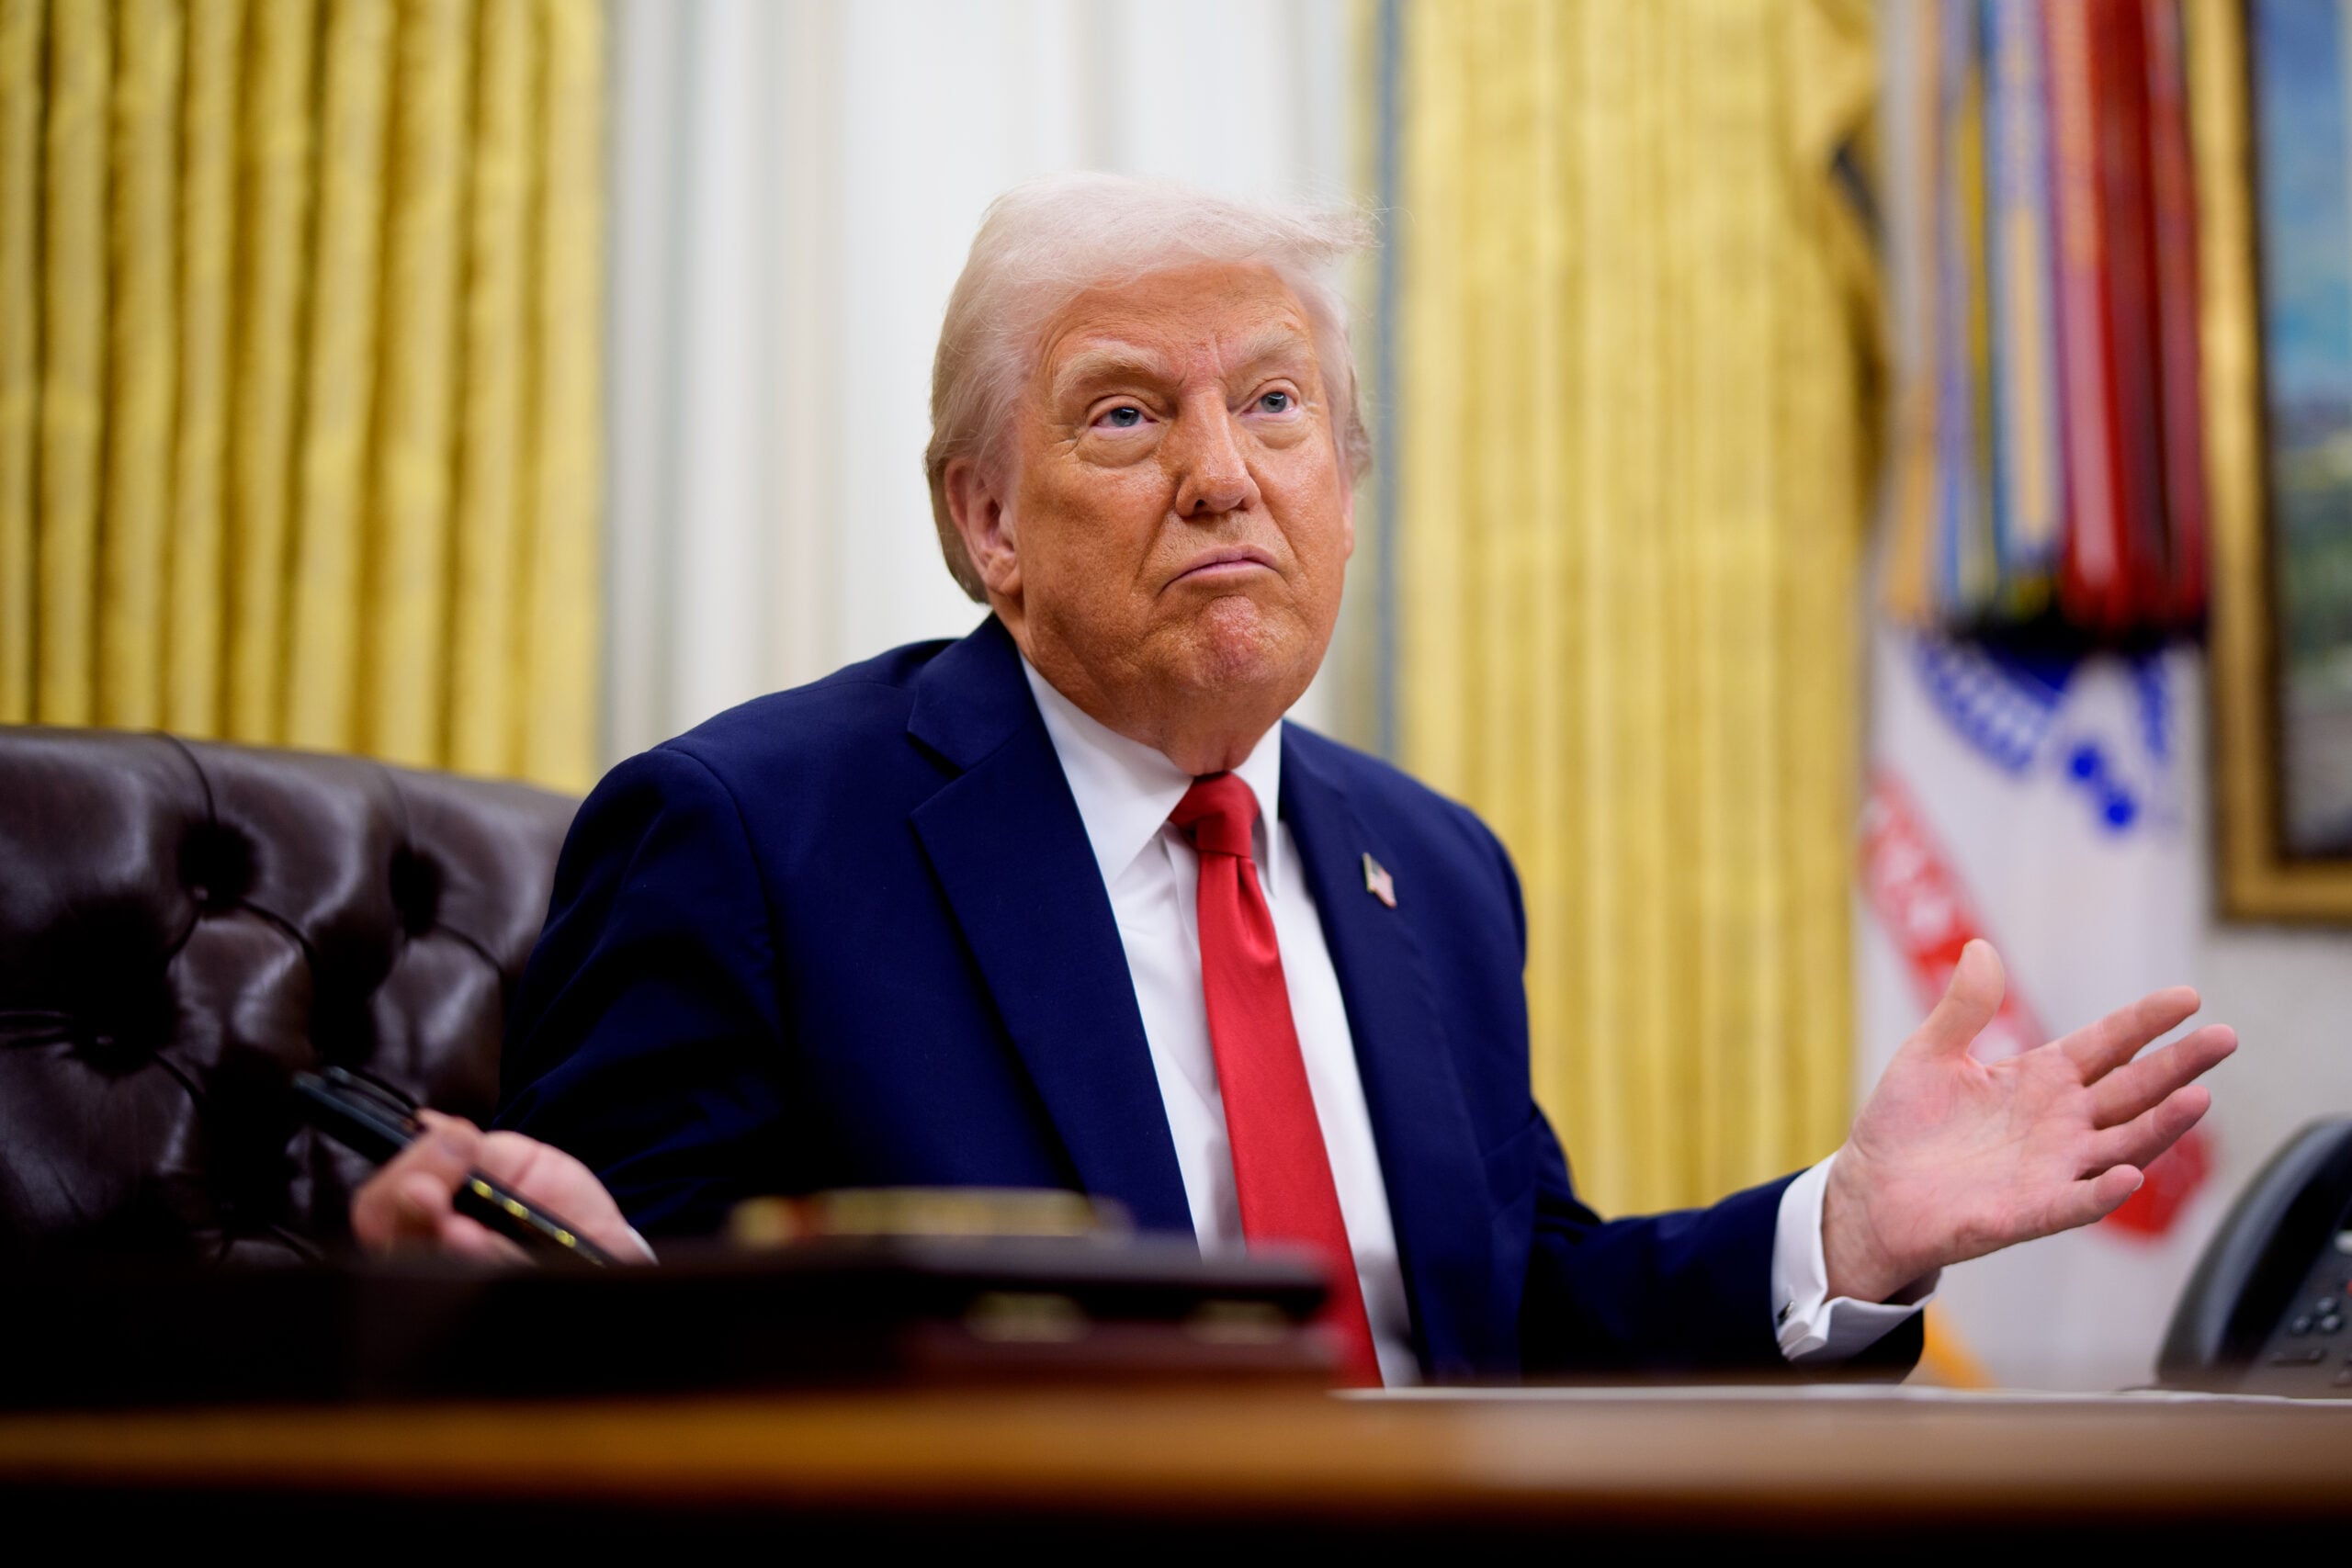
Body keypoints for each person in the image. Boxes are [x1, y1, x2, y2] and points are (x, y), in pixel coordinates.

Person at [354, 175, 2233, 1384]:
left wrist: (1842, 1230)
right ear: (983, 516)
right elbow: (594, 1344)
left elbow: (1518, 1315)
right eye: (1123, 412)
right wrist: (473, 1300)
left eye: (1272, 406)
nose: (1220, 473)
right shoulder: (751, 834)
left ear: (1344, 480)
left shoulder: (1434, 866)